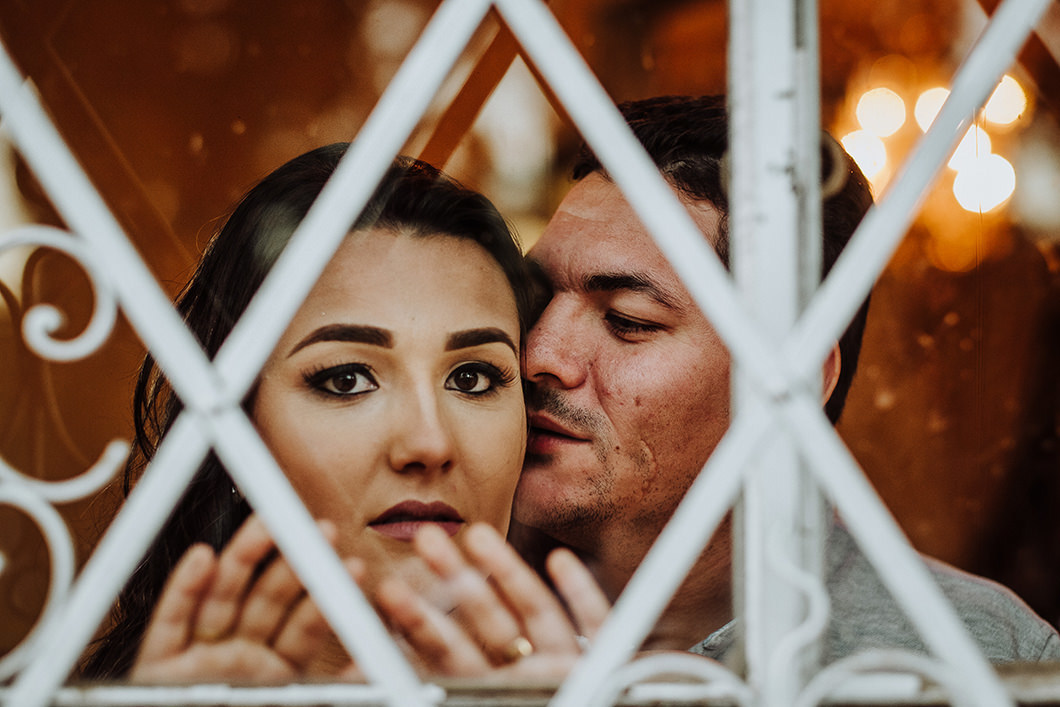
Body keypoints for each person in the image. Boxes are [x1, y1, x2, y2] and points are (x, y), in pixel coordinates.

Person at [378, 94, 1060, 670]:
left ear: (788, 383)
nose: (539, 355)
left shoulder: (980, 657)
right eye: (534, 296)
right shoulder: (401, 593)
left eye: (628, 319)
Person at [79, 144, 604, 681]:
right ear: (232, 426)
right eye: (346, 379)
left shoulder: (628, 689)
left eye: (471, 379)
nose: (428, 445)